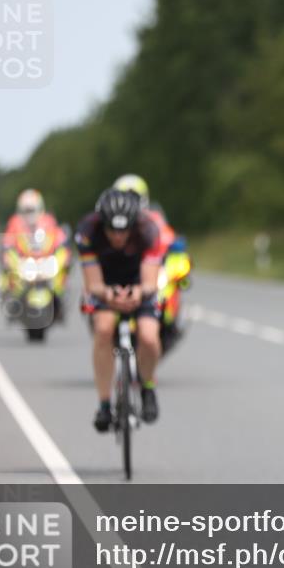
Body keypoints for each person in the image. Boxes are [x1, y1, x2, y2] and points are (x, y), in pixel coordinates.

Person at [76, 189, 164, 431]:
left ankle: (148, 387)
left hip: (138, 282)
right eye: (111, 230)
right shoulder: (87, 231)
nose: (117, 236)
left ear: (133, 225)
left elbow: (150, 282)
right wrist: (109, 295)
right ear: (102, 223)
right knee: (103, 330)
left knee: (148, 336)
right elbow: (92, 283)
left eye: (123, 230)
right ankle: (104, 404)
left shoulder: (149, 230)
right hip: (104, 283)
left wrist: (138, 293)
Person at [111, 174, 190, 354]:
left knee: (167, 290)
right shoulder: (111, 222)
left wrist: (175, 247)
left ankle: (171, 321)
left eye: (134, 198)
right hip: (122, 277)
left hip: (149, 275)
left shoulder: (154, 219)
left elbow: (168, 237)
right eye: (125, 198)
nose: (130, 204)